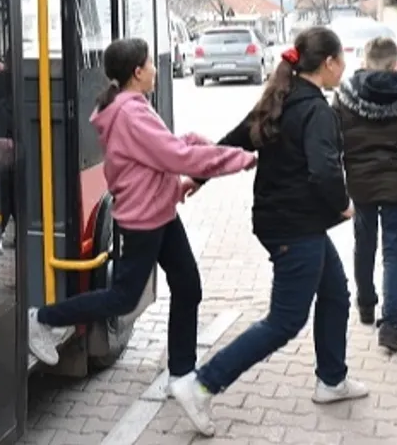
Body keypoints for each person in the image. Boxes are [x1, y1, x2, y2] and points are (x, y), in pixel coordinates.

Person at [170, 27, 368, 438]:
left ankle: (332, 379)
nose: (344, 68)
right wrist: (343, 204)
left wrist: (198, 178)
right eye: (341, 61)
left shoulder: (280, 97)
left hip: (287, 222)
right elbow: (324, 171)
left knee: (335, 292)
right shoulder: (315, 110)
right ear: (328, 63)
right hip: (295, 227)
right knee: (285, 321)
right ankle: (202, 384)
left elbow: (232, 141)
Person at [26, 38, 256, 390]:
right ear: (137, 72)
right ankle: (43, 319)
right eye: (149, 64)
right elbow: (176, 158)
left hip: (160, 212)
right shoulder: (130, 113)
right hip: (144, 220)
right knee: (124, 297)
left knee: (187, 285)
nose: (154, 69)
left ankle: (181, 373)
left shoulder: (131, 105)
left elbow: (158, 152)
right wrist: (240, 158)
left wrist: (190, 142)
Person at [331, 36, 397, 352]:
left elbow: (335, 139)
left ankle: (366, 304)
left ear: (364, 62)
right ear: (396, 64)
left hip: (361, 182)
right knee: (395, 252)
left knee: (364, 243)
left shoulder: (344, 95)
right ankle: (390, 325)